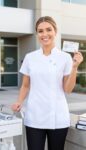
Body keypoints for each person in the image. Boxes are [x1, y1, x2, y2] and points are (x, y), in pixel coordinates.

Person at [12, 16, 83, 150]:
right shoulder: (30, 57)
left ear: (55, 32)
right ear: (37, 34)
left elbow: (67, 89)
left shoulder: (65, 57)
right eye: (40, 31)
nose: (44, 34)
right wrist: (19, 101)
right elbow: (25, 85)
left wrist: (74, 67)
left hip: (58, 117)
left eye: (48, 30)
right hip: (35, 116)